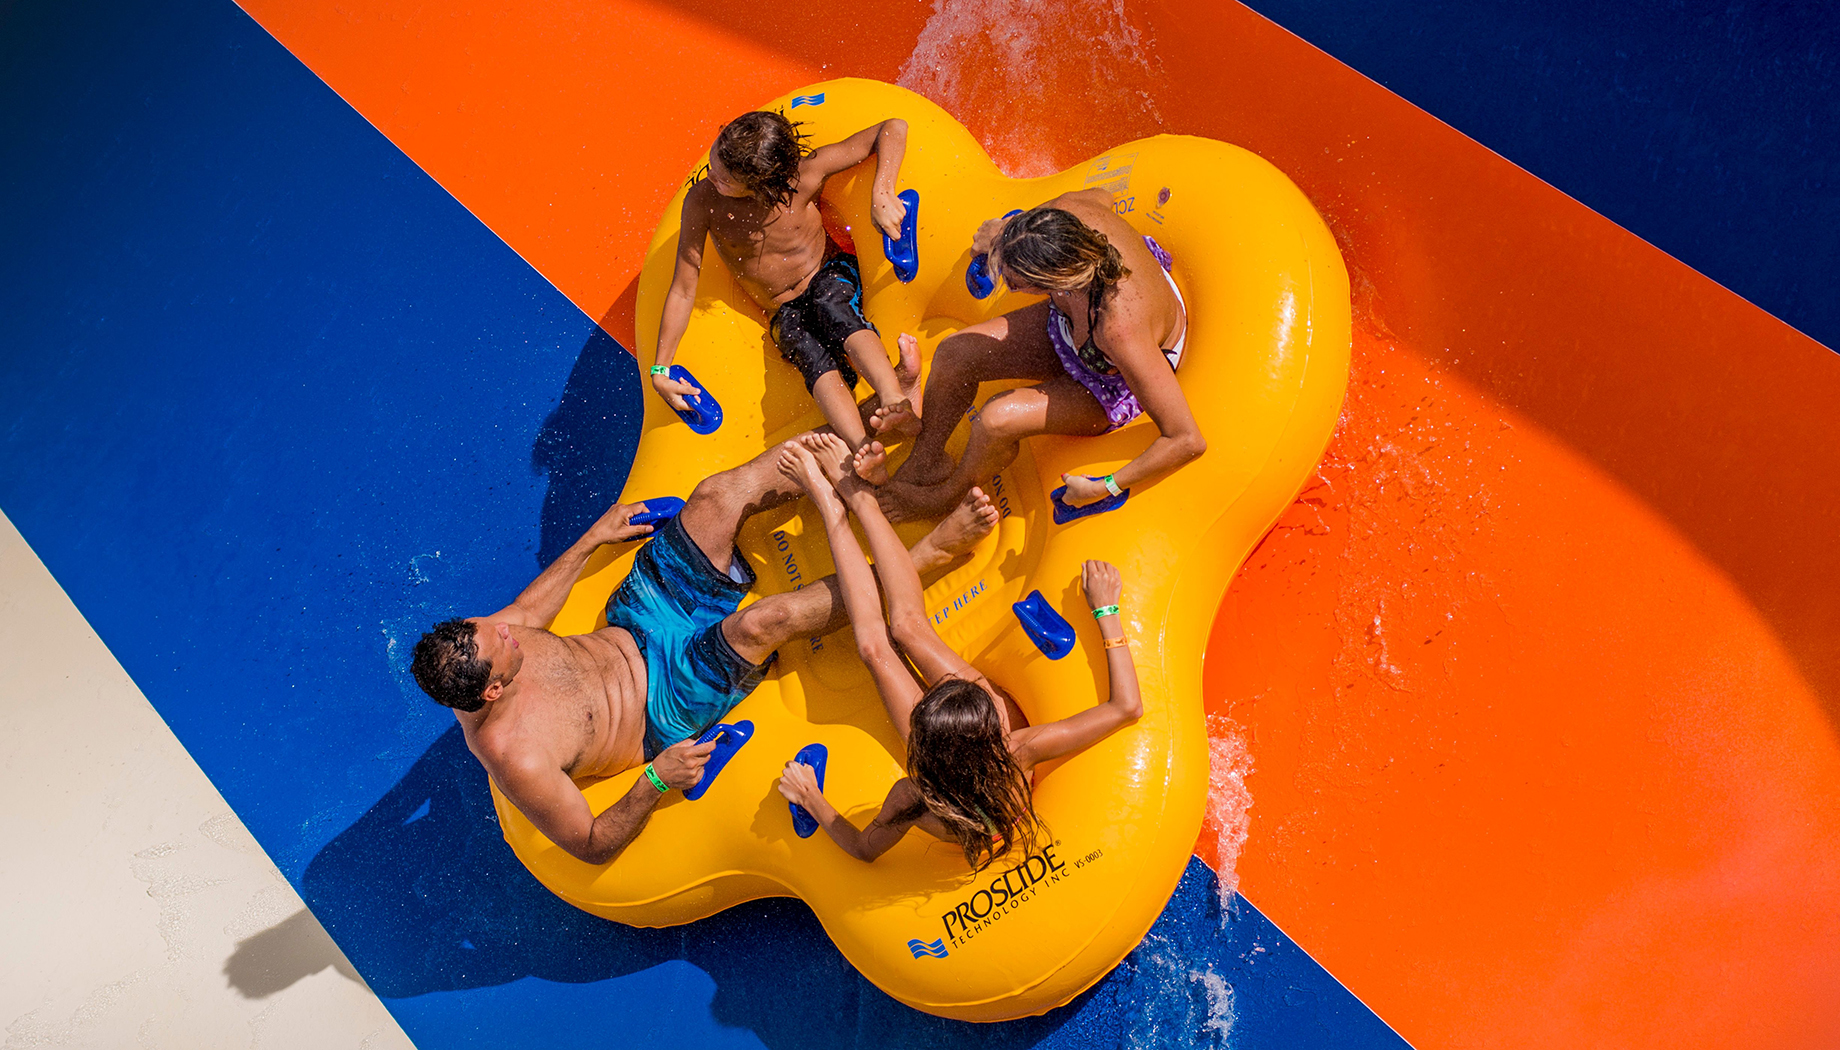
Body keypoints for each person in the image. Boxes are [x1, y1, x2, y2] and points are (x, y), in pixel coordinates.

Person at [408, 440, 998, 865]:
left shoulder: (484, 639)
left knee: (717, 496)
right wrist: (655, 784)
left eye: (490, 627)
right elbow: (590, 844)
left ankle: (864, 460)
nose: (506, 630)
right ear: (492, 691)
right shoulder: (517, 758)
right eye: (501, 644)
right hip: (662, 700)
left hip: (637, 617)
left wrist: (592, 539)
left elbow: (530, 612)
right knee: (766, 620)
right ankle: (922, 559)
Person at [774, 434, 1145, 870]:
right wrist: (1107, 611)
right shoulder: (1014, 750)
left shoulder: (913, 796)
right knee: (907, 630)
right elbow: (1126, 707)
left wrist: (811, 798)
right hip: (966, 759)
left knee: (877, 646)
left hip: (946, 769)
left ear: (923, 743)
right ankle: (861, 497)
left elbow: (863, 849)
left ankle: (831, 501)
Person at [874, 191, 1206, 520]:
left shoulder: (1119, 330)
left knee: (995, 420)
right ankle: (927, 457)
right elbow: (1102, 195)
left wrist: (1106, 486)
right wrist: (1003, 230)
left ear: (1054, 280)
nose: (1006, 282)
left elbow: (1186, 438)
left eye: (1015, 283)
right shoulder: (1067, 213)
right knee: (954, 353)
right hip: (1071, 325)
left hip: (1112, 376)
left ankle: (946, 496)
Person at [651, 109, 923, 459]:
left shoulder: (805, 176)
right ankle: (863, 449)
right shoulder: (704, 201)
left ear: (762, 183)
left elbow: (893, 126)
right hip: (782, 309)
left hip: (829, 274)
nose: (710, 177)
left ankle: (892, 398)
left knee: (832, 307)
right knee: (807, 351)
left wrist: (883, 190)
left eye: (723, 178)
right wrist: (661, 367)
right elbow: (684, 287)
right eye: (713, 162)